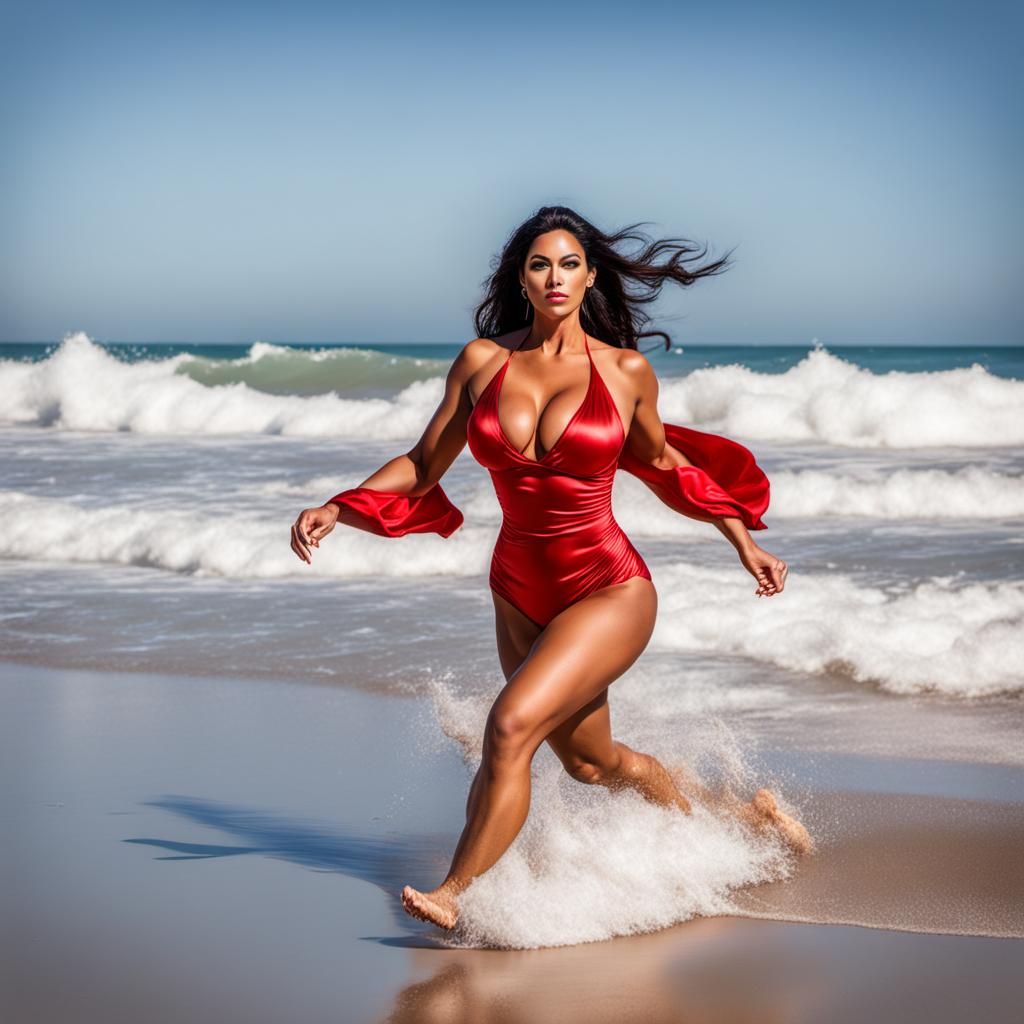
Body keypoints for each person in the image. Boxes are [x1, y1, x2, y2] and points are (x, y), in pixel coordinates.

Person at [290, 205, 811, 931]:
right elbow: (422, 462)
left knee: (508, 726)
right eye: (540, 264)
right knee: (592, 764)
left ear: (590, 276)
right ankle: (732, 822)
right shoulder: (482, 362)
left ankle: (453, 891)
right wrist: (341, 507)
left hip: (609, 589)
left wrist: (742, 540)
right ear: (521, 279)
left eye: (569, 263)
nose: (555, 276)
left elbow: (665, 465)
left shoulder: (625, 371)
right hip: (517, 591)